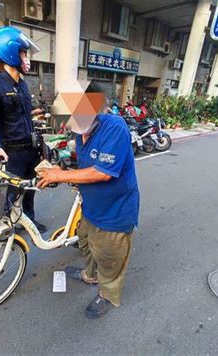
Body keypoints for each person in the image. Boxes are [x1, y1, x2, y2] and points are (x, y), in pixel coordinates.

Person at [37, 84, 140, 319]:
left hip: (115, 212)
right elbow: (84, 165)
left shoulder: (115, 127)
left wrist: (60, 176)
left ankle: (107, 294)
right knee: (86, 244)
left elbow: (103, 172)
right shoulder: (81, 132)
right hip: (91, 207)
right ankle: (90, 275)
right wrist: (61, 171)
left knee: (110, 258)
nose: (71, 126)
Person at [0, 26, 46, 233]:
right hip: (12, 153)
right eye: (24, 53)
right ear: (10, 53)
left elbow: (24, 116)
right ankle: (7, 228)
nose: (27, 58)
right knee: (10, 193)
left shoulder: (23, 85)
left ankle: (29, 222)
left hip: (30, 149)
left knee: (30, 189)